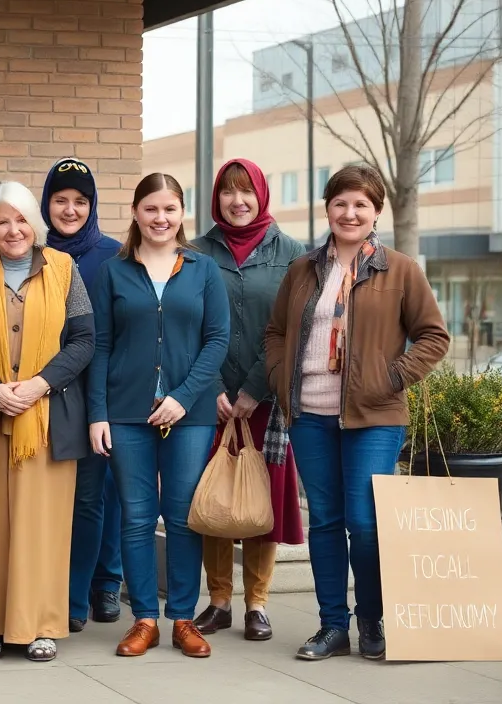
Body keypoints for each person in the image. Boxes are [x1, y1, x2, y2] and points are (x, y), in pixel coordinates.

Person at [264, 164, 449, 661]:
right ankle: (332, 626)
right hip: (310, 416)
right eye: (341, 203)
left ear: (376, 212)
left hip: (375, 418)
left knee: (365, 523)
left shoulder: (400, 269)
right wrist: (283, 378)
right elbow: (276, 332)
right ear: (328, 208)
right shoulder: (303, 269)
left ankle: (372, 619)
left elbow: (434, 337)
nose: (350, 213)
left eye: (360, 205)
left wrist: (388, 379)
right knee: (324, 521)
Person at [87, 173, 229, 660]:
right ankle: (144, 618)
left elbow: (217, 341)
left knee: (184, 516)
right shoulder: (113, 271)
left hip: (189, 415)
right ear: (135, 213)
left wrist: (185, 396)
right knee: (136, 517)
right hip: (125, 413)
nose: (161, 218)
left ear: (182, 213)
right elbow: (102, 345)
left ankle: (183, 618)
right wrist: (97, 414)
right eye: (151, 209)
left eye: (170, 209)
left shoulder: (204, 270)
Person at [0, 181, 94, 663]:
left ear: (35, 224)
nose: (13, 229)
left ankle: (41, 625)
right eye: (2, 221)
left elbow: (83, 340)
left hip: (47, 417)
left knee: (45, 525)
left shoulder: (64, 270)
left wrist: (42, 383)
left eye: (21, 219)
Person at [189, 159, 306, 642]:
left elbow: (293, 327)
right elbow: (189, 326)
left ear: (262, 195)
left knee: (262, 500)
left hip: (268, 399)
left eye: (246, 193)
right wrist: (214, 385)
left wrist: (254, 389)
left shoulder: (294, 254)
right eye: (227, 193)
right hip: (207, 397)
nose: (237, 202)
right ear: (215, 198)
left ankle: (257, 603)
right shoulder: (194, 252)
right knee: (215, 496)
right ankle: (218, 601)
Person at [40, 157, 125, 631]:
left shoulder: (112, 254)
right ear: (46, 203)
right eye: (60, 199)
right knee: (58, 495)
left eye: (80, 201)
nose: (70, 210)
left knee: (100, 495)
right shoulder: (30, 249)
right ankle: (59, 586)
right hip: (46, 392)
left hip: (98, 392)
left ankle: (104, 585)